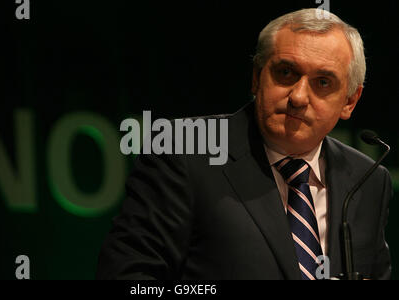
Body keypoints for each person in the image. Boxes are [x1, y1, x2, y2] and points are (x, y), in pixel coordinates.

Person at [96, 8, 392, 280]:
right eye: (286, 72)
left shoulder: (368, 179)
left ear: (350, 101)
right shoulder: (183, 150)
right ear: (256, 77)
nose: (299, 97)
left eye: (323, 82)